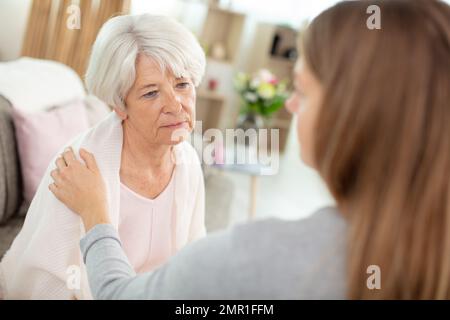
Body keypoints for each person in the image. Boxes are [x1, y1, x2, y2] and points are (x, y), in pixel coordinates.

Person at [49, 0, 450, 299]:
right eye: (151, 92)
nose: (290, 105)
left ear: (351, 115)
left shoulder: (256, 256)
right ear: (119, 104)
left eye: (303, 91)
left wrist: (96, 217)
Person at [0, 14, 206, 299]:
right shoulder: (78, 168)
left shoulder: (188, 161)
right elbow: (44, 281)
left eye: (182, 84)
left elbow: (194, 256)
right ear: (119, 106)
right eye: (151, 93)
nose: (176, 105)